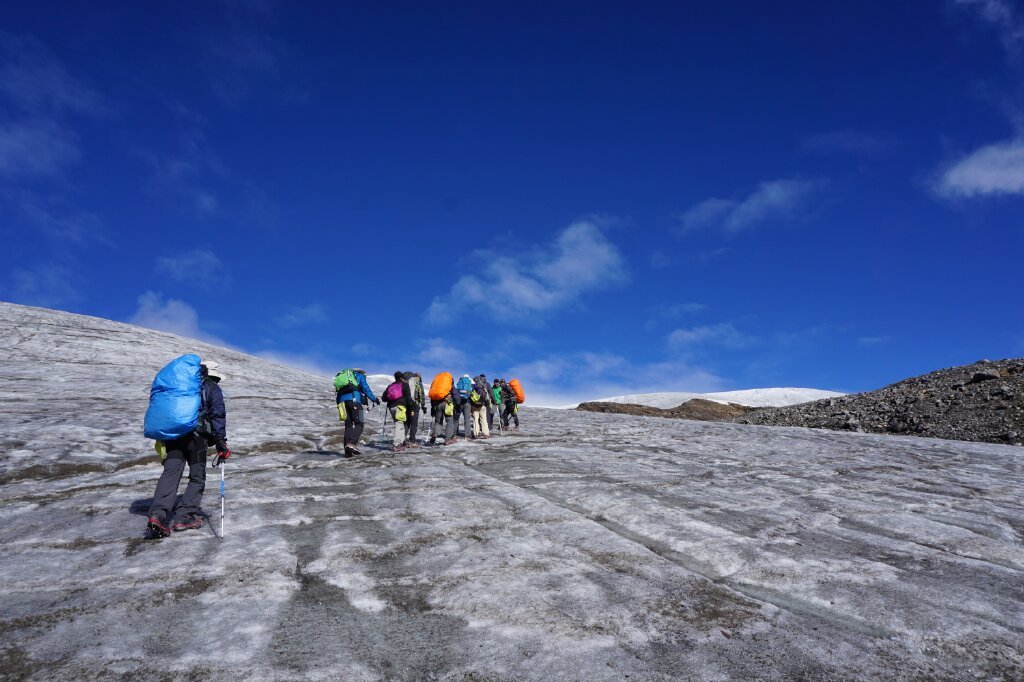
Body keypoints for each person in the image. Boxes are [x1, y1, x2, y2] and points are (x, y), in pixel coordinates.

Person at [147, 361, 229, 537]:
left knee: (171, 473)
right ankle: (184, 517)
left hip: (174, 436)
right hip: (197, 438)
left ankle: (158, 515)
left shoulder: (179, 387)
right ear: (212, 374)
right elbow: (217, 413)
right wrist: (220, 440)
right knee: (197, 477)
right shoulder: (211, 387)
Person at [336, 368, 379, 456]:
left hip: (342, 403)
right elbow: (365, 388)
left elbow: (338, 394)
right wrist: (374, 399)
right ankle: (351, 444)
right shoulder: (359, 376)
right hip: (355, 401)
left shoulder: (344, 379)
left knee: (348, 426)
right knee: (360, 423)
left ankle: (348, 454)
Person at [382, 371, 413, 452]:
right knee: (399, 424)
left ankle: (401, 443)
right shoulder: (404, 385)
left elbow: (384, 398)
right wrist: (411, 408)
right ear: (402, 377)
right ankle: (396, 444)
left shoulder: (390, 385)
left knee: (400, 423)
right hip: (400, 407)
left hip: (391, 407)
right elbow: (408, 397)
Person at [428, 373, 458, 446]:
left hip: (437, 404)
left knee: (438, 422)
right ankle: (447, 439)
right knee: (449, 421)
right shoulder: (450, 386)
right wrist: (457, 405)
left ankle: (435, 435)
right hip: (447, 404)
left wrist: (433, 408)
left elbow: (432, 399)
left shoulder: (437, 387)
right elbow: (456, 396)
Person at [403, 371, 427, 448]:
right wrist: (423, 405)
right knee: (413, 424)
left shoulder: (406, 381)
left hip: (406, 405)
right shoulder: (418, 382)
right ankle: (412, 441)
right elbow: (422, 394)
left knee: (406, 423)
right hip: (414, 405)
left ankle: (402, 440)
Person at [471, 373, 492, 439]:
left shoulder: (473, 386)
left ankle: (476, 433)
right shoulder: (484, 386)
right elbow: (487, 397)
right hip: (483, 405)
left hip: (475, 406)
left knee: (476, 420)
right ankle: (486, 433)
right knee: (484, 419)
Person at [454, 374, 474, 439]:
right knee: (467, 419)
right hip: (467, 403)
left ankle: (454, 434)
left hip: (459, 402)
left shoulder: (460, 382)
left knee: (456, 418)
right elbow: (472, 394)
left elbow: (456, 392)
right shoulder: (470, 383)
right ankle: (467, 435)